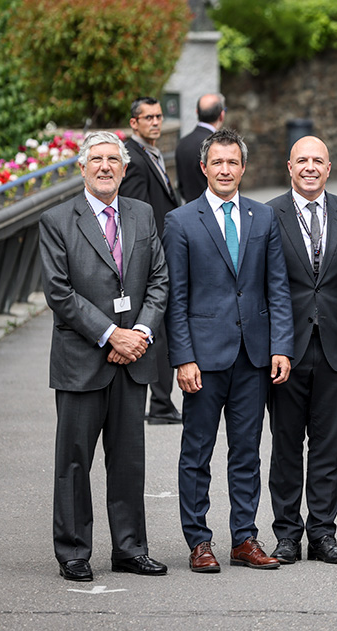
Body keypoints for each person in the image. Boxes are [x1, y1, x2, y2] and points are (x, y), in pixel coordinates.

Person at [163, 128, 295, 573]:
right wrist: (182, 357)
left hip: (254, 356)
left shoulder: (262, 217)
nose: (225, 170)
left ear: (243, 167)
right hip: (202, 358)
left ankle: (244, 538)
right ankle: (199, 541)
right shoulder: (181, 221)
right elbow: (175, 298)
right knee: (197, 452)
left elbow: (276, 287)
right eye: (217, 163)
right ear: (204, 168)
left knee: (246, 451)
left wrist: (281, 346)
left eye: (232, 163)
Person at [40, 131, 170, 581]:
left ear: (124, 167)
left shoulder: (142, 213)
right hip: (82, 359)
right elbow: (59, 292)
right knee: (74, 461)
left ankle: (130, 548)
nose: (104, 167)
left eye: (113, 159)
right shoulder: (57, 219)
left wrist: (140, 334)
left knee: (129, 459)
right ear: (82, 167)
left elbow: (159, 280)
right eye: (96, 159)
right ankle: (73, 551)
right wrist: (112, 333)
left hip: (134, 358)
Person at [265, 136, 337, 565]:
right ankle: (287, 534)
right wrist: (272, 346)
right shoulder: (268, 214)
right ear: (288, 167)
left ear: (329, 168)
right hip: (284, 350)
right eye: (302, 160)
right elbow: (263, 285)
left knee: (329, 446)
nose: (310, 167)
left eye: (318, 161)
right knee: (286, 444)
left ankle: (323, 534)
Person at [120, 96, 183, 425]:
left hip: (161, 254)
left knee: (160, 330)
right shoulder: (133, 159)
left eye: (159, 116)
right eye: (148, 118)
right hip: (152, 259)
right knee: (156, 330)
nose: (156, 122)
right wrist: (156, 259)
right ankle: (160, 404)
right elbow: (138, 215)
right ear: (134, 123)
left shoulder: (150, 154)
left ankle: (161, 402)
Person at [176, 93, 226, 203]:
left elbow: (181, 185)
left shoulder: (183, 143)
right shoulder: (218, 145)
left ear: (197, 112)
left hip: (190, 208)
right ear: (221, 115)